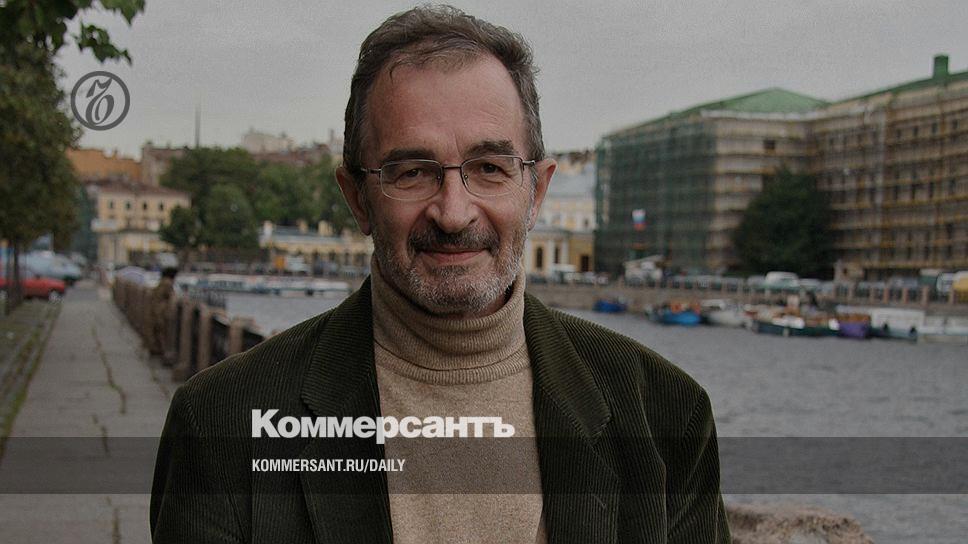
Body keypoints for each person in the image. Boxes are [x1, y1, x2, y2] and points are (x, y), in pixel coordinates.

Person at [150, 6, 729, 543]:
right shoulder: (221, 425)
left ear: (536, 191)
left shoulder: (667, 414)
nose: (453, 213)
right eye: (412, 172)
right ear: (357, 198)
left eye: (490, 167)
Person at [147, 266, 177, 357]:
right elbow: (171, 297)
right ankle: (164, 352)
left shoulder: (162, 282)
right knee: (162, 332)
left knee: (157, 331)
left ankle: (155, 349)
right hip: (161, 311)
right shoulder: (168, 283)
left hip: (155, 310)